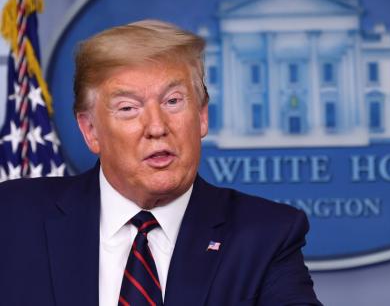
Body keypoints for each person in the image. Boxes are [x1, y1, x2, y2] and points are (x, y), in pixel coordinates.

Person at [0, 20, 321, 306]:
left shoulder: (265, 235)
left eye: (173, 101)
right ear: (90, 131)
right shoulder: (13, 217)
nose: (157, 126)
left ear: (202, 116)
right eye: (128, 108)